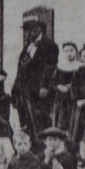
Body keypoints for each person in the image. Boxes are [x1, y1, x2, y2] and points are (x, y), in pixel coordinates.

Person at [11, 17, 58, 145]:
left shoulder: (50, 45)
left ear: (39, 28)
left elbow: (51, 67)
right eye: (26, 30)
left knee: (40, 119)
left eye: (30, 29)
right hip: (25, 90)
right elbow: (20, 70)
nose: (28, 33)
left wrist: (45, 86)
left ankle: (43, 148)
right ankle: (31, 148)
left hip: (40, 91)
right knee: (27, 120)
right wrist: (15, 90)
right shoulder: (27, 47)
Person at [51, 41, 81, 133]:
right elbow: (52, 82)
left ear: (76, 51)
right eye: (66, 51)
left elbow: (84, 82)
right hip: (61, 100)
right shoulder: (60, 66)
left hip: (74, 98)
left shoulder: (80, 66)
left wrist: (72, 86)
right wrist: (58, 86)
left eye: (71, 50)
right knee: (61, 123)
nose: (69, 53)